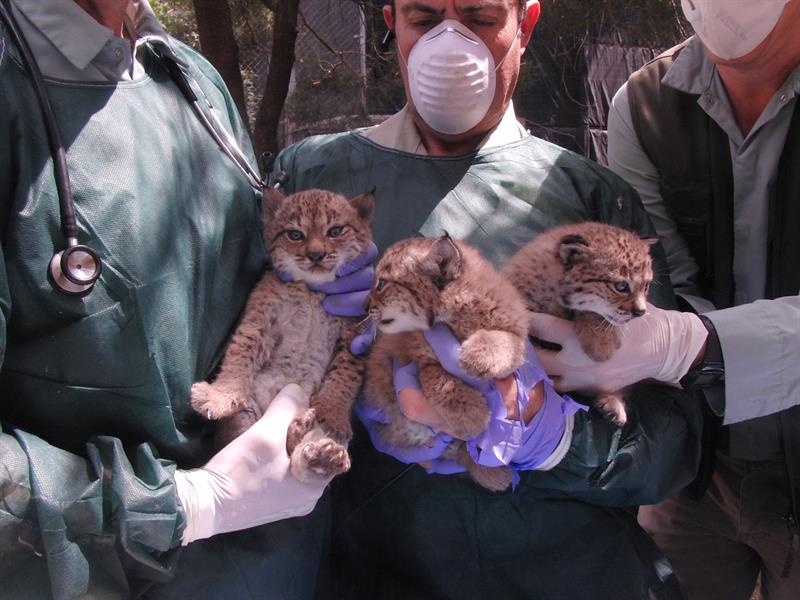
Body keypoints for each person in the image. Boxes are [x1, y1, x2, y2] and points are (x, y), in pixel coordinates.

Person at [272, 1, 706, 598]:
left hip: (567, 571)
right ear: (389, 21)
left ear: (525, 25)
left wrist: (554, 440)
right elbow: (248, 358)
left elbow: (676, 439)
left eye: (479, 17)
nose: (450, 45)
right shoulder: (314, 175)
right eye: (425, 20)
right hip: (371, 567)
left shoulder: (587, 198)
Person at [0, 1, 364, 597]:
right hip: (91, 574)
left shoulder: (191, 78)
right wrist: (183, 505)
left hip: (265, 561)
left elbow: (246, 276)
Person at [581, 0, 800, 598]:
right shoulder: (645, 106)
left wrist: (697, 344)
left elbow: (679, 335)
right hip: (699, 467)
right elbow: (659, 282)